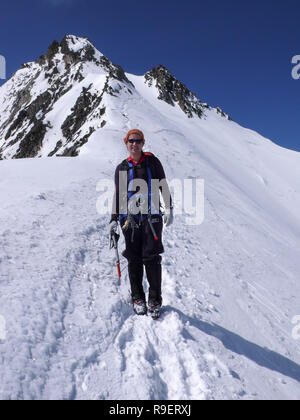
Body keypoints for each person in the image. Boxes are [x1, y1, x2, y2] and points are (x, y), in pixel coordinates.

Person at [109, 129, 173, 318]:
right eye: (131, 141)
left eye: (138, 141)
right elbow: (119, 194)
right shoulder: (122, 168)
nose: (134, 144)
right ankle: (137, 297)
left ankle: (154, 299)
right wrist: (113, 219)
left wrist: (169, 208)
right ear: (126, 143)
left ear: (143, 143)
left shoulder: (152, 163)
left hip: (152, 217)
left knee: (152, 258)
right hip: (130, 219)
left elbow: (163, 185)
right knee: (134, 258)